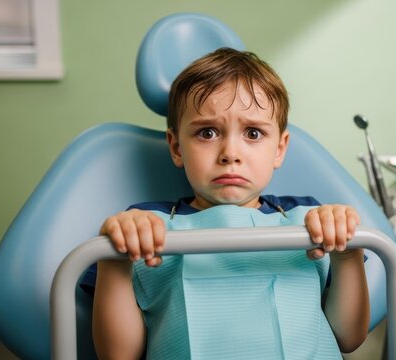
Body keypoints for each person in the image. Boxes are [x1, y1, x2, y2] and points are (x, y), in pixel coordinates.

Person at [89, 48, 370, 359]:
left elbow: (349, 337)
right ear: (177, 147)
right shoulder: (145, 227)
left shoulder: (310, 220)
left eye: (253, 133)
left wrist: (348, 256)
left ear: (279, 148)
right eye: (207, 132)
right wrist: (114, 261)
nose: (230, 153)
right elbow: (119, 355)